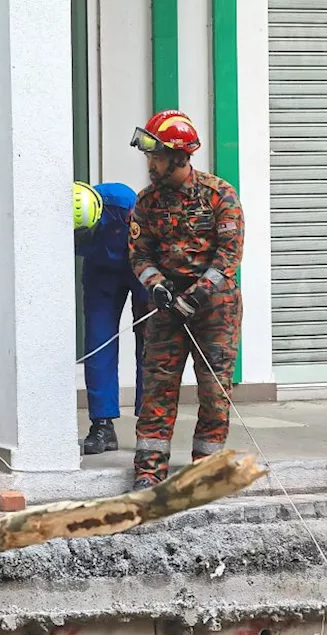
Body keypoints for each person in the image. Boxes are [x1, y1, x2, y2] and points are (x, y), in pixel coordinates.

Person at [128, 110, 245, 491]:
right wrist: (157, 284)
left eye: (157, 156)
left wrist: (195, 295)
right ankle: (148, 471)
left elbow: (228, 257)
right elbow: (139, 253)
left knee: (214, 392)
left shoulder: (219, 195)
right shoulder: (146, 202)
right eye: (149, 156)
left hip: (214, 311)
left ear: (180, 157)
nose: (150, 163)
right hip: (164, 310)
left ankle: (204, 473)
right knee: (157, 388)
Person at [76, 182, 149, 455]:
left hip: (139, 264)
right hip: (100, 272)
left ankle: (149, 424)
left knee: (149, 343)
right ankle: (102, 425)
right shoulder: (59, 214)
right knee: (98, 343)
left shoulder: (121, 202)